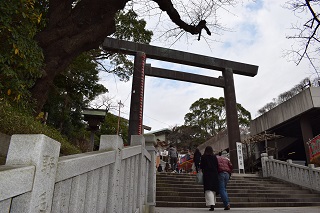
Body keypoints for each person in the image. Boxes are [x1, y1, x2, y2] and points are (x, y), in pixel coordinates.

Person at [200, 146, 219, 211]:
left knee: (208, 189)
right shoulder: (214, 157)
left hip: (207, 174)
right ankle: (213, 203)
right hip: (215, 174)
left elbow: (202, 166)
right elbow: (217, 165)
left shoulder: (203, 157)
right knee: (213, 189)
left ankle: (211, 204)